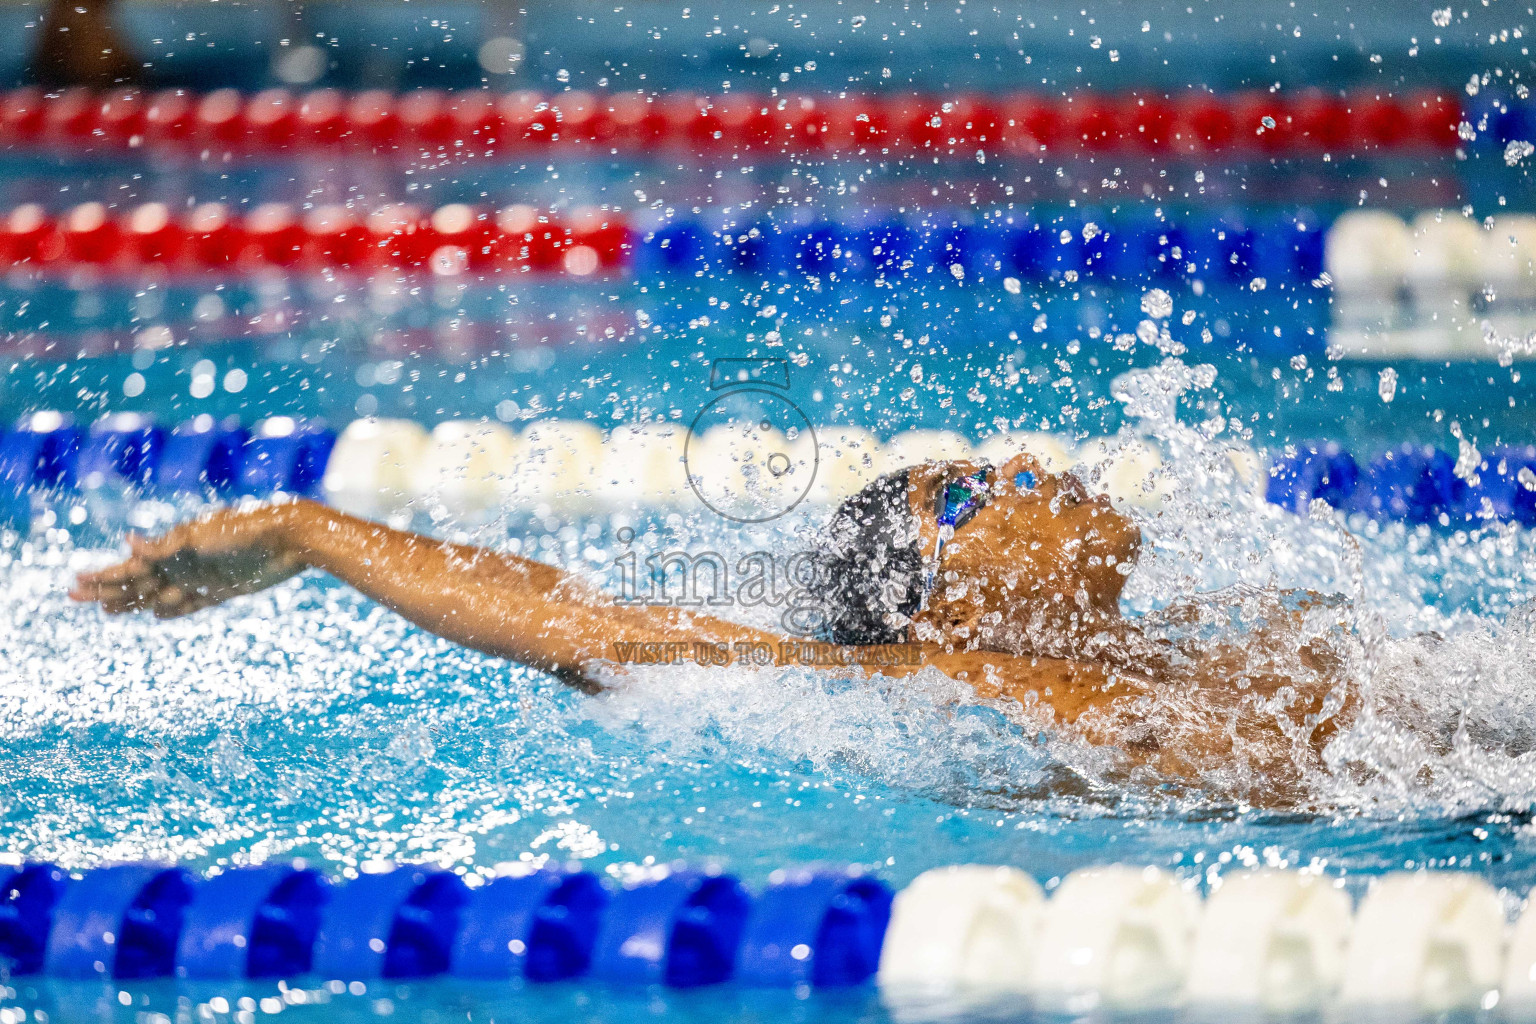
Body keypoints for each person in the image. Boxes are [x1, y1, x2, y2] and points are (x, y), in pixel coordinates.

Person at [70, 451, 1351, 804]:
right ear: (939, 603)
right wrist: (313, 532)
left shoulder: (1200, 639)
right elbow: (605, 629)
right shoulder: (946, 672)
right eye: (963, 493)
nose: (1019, 464)